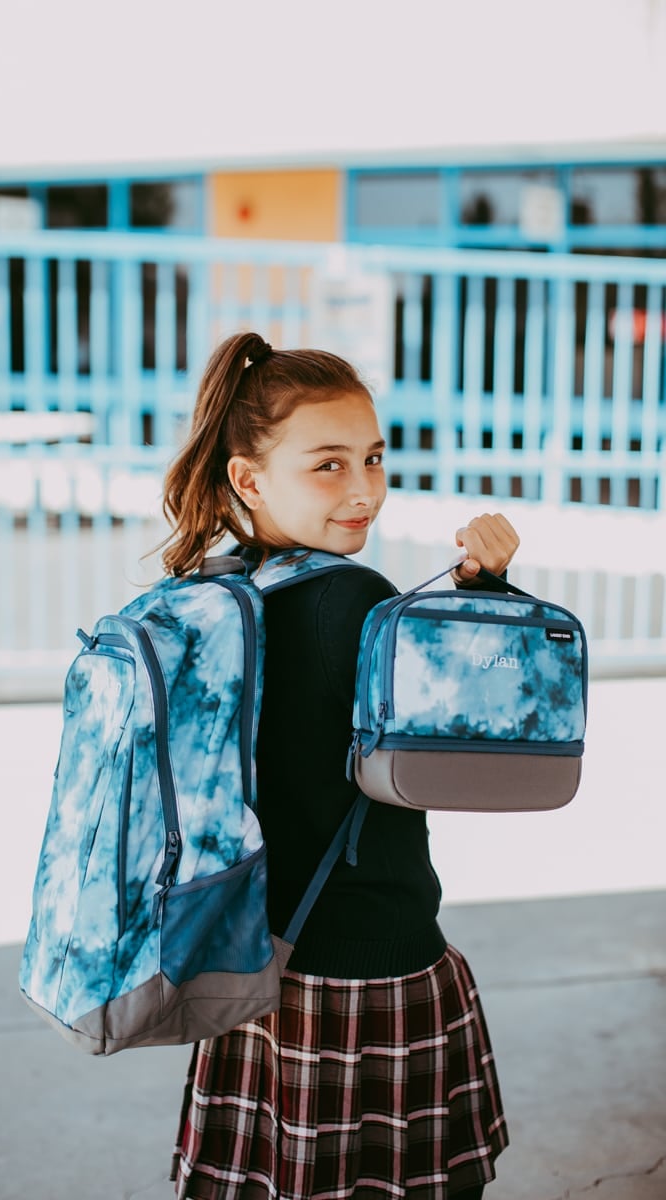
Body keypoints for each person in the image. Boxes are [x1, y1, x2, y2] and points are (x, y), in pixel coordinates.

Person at [162, 331, 517, 1200]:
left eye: (373, 459)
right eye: (328, 465)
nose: (364, 491)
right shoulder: (353, 600)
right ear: (250, 478)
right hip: (370, 966)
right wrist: (485, 598)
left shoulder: (225, 585)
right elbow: (477, 741)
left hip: (254, 962)